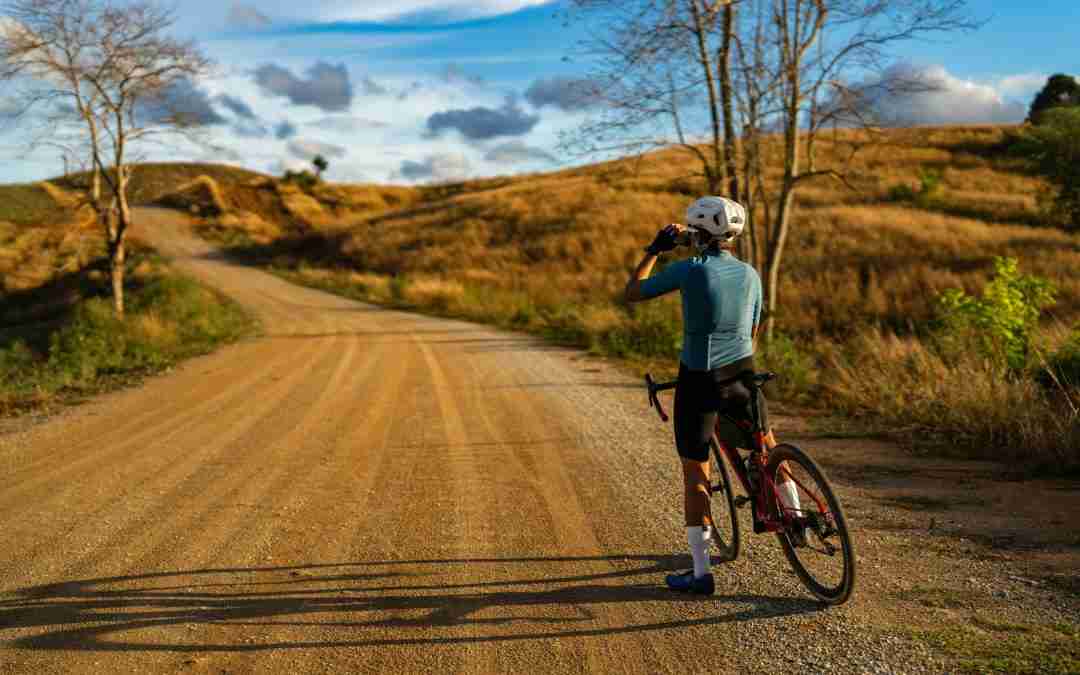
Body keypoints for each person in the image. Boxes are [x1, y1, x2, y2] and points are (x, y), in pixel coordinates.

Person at [624, 196, 797, 596]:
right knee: (765, 446)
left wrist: (656, 249)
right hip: (743, 375)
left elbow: (634, 291)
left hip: (700, 381)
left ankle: (700, 574)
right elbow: (752, 333)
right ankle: (798, 515)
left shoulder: (690, 269)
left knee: (695, 474)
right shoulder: (751, 274)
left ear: (698, 233)